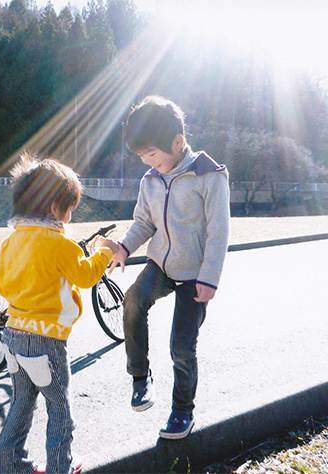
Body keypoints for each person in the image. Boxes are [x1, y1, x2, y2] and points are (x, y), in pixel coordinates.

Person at [109, 95, 230, 440]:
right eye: (142, 156)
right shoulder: (150, 180)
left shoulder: (209, 175)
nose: (147, 162)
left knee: (181, 347)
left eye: (151, 154)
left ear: (178, 142)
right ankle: (140, 377)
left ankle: (182, 411)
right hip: (160, 265)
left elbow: (219, 231)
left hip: (195, 274)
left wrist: (210, 278)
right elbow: (143, 222)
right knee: (133, 300)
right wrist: (124, 247)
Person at [0, 154, 120, 474]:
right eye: (70, 208)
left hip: (13, 335)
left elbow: (1, 284)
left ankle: (10, 464)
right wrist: (105, 251)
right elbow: (86, 277)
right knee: (59, 408)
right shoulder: (60, 243)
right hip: (46, 340)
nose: (70, 215)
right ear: (54, 208)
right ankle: (60, 466)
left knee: (21, 404)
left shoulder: (11, 242)